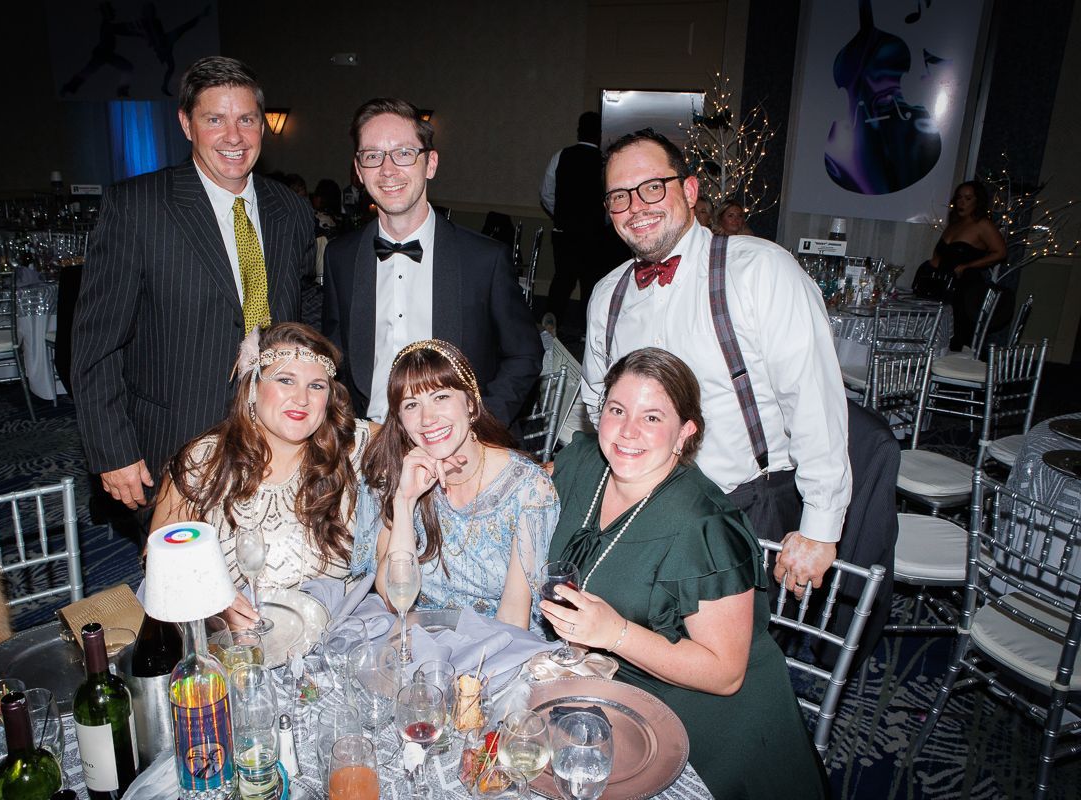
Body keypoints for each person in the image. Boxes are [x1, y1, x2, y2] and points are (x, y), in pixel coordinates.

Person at [543, 348, 829, 799]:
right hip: (608, 693)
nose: (628, 431)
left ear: (685, 432)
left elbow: (725, 674)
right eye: (617, 410)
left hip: (709, 728)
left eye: (653, 417)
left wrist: (614, 633)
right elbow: (524, 483)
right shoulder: (585, 464)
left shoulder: (705, 527)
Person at [581, 129, 850, 593]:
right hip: (643, 508)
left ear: (688, 190)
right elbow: (594, 405)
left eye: (652, 187)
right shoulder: (608, 294)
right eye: (619, 197)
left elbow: (813, 399)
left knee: (732, 661)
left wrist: (820, 527)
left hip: (744, 507)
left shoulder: (759, 270)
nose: (636, 207)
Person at [73, 56, 313, 512]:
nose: (234, 136)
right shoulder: (138, 208)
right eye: (215, 119)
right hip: (173, 440)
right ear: (186, 124)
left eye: (246, 119)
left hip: (276, 437)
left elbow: (300, 310)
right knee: (184, 574)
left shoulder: (290, 210)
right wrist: (113, 450)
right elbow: (95, 345)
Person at [322, 97, 541, 427]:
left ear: (431, 163)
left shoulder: (484, 260)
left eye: (404, 153)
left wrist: (480, 425)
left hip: (458, 445)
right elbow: (335, 358)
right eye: (372, 156)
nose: (387, 169)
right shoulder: (340, 257)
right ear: (358, 170)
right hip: (371, 440)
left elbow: (524, 355)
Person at [151, 322, 371, 627]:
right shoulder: (204, 462)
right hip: (238, 650)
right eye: (285, 380)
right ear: (253, 388)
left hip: (337, 638)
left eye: (316, 386)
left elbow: (421, 428)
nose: (302, 399)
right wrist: (214, 606)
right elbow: (160, 562)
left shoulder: (352, 447)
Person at [351, 340, 558, 628]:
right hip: (418, 635)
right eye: (411, 405)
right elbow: (395, 598)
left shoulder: (526, 488)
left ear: (471, 405)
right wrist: (405, 501)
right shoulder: (394, 474)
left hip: (496, 647)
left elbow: (513, 619)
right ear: (399, 420)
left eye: (440, 397)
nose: (427, 418)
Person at [540, 111, 607, 325]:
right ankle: (587, 333)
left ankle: (549, 328)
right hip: (594, 236)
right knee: (592, 285)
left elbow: (546, 193)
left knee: (561, 282)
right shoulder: (605, 163)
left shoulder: (560, 156)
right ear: (599, 135)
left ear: (579, 131)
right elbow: (611, 202)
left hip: (564, 234)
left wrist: (560, 214)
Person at [924, 180, 1008, 350]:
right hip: (942, 285)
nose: (962, 202)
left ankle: (953, 368)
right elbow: (938, 255)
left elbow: (1000, 252)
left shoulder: (983, 224)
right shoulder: (954, 224)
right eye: (960, 197)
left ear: (977, 201)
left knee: (957, 333)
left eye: (968, 198)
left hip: (964, 287)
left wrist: (968, 266)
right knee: (934, 332)